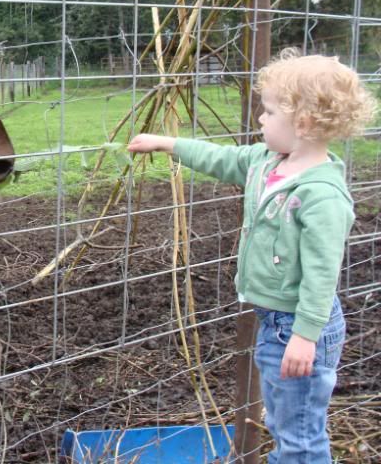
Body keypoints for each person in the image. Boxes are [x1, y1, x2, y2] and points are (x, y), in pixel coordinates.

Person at [126, 50, 377, 463]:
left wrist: (305, 336)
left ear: (304, 122)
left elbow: (321, 273)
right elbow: (221, 159)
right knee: (285, 424)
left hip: (299, 327)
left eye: (269, 111)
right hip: (276, 322)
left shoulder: (321, 195)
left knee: (299, 436)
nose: (260, 118)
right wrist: (167, 143)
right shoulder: (267, 162)